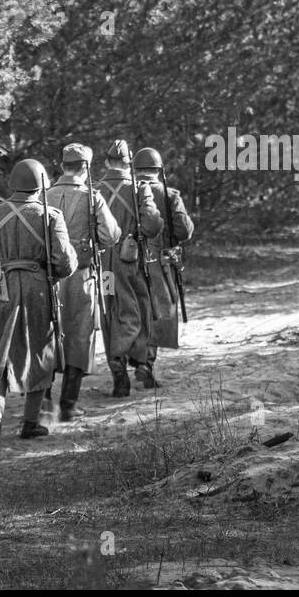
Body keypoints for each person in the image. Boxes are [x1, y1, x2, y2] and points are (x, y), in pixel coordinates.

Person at [0, 159, 76, 444]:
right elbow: (64, 262)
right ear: (42, 185)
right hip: (37, 288)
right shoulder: (50, 215)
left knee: (0, 352)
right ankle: (30, 423)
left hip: (2, 288)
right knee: (40, 352)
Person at [44, 144, 120, 421]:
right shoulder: (92, 198)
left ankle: (43, 405)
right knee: (79, 336)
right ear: (86, 167)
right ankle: (68, 404)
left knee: (47, 336)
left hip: (48, 278)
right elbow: (111, 235)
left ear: (63, 165)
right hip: (80, 276)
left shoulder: (44, 195)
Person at [96, 140, 162, 397]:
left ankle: (117, 366)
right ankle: (130, 358)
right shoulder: (140, 188)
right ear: (129, 163)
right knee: (137, 309)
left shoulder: (95, 189)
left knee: (110, 310)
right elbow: (152, 226)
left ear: (106, 162)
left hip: (104, 266)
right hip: (130, 261)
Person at [130, 147, 194, 388]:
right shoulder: (169, 194)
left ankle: (130, 358)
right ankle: (146, 362)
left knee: (129, 311)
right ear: (158, 171)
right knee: (158, 311)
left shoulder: (125, 192)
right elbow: (183, 231)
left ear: (135, 170)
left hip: (126, 260)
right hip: (159, 261)